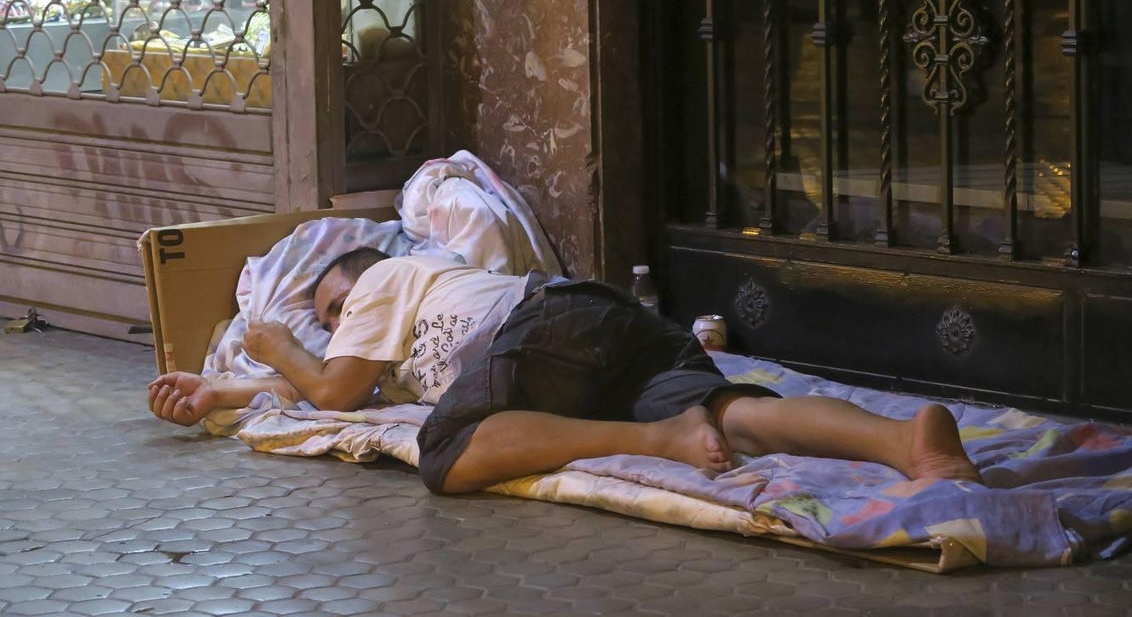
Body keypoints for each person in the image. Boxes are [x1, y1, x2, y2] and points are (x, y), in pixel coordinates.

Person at [149, 248, 982, 494]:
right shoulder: (395, 356)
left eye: (334, 315)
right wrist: (220, 388)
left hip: (545, 326)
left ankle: (660, 437)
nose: (336, 327)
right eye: (333, 319)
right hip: (599, 331)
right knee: (730, 411)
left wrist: (277, 340)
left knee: (446, 454)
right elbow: (336, 394)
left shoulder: (382, 280)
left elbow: (330, 382)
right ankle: (906, 441)